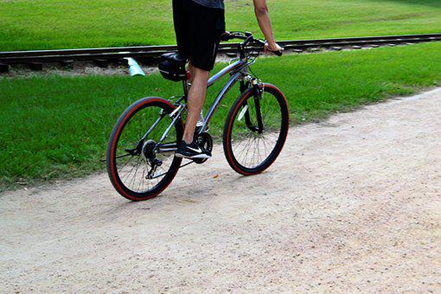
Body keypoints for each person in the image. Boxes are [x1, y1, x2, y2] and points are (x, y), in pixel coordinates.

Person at [174, 0, 283, 159]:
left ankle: (196, 120)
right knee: (202, 72)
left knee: (192, 59)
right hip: (206, 8)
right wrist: (272, 44)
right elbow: (261, 9)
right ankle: (188, 140)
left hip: (181, 5)